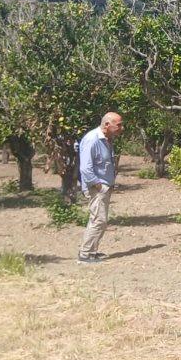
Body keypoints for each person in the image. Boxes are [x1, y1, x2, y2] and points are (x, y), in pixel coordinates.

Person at [77, 112, 123, 264]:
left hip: (104, 186)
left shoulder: (107, 139)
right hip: (97, 188)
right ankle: (85, 255)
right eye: (119, 125)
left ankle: (92, 252)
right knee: (98, 220)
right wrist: (98, 185)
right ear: (107, 125)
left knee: (100, 220)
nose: (121, 128)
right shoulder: (92, 139)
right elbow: (85, 168)